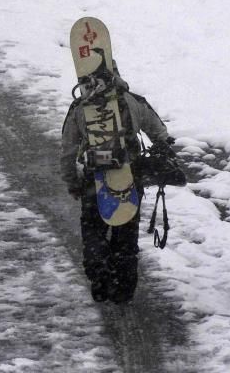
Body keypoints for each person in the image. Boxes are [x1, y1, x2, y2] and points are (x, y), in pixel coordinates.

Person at [60, 64, 174, 304]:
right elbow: (160, 134)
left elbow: (67, 151)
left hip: (93, 178)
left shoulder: (79, 108)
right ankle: (123, 288)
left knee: (93, 231)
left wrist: (72, 182)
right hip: (130, 176)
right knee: (126, 234)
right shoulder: (133, 101)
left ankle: (100, 278)